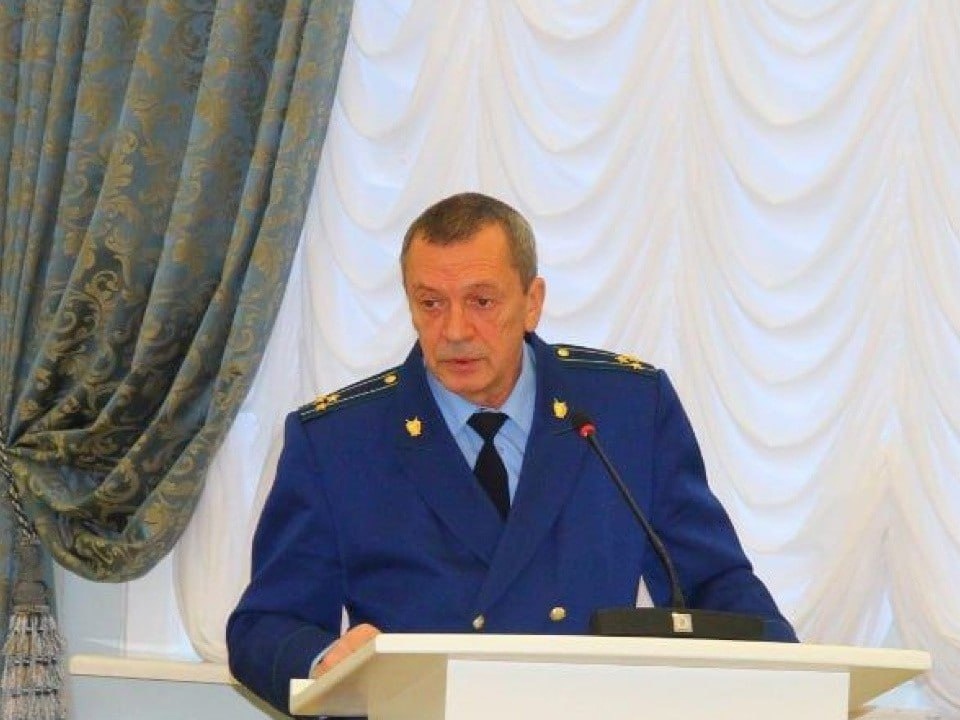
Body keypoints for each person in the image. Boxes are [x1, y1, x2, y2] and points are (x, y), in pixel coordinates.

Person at [227, 192, 798, 716]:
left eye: (481, 301)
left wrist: (796, 679)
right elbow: (266, 623)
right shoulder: (339, 441)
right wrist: (324, 660)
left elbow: (714, 582)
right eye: (431, 303)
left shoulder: (626, 410)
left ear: (532, 302)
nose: (455, 330)